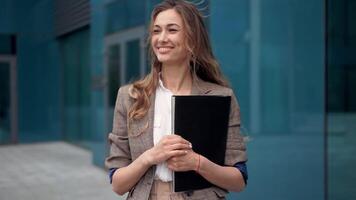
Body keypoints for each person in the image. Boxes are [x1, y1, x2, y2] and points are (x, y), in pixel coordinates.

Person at [105, 0, 248, 199]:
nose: (161, 38)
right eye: (156, 31)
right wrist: (150, 157)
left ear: (192, 39)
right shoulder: (130, 97)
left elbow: (239, 180)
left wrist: (197, 163)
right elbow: (118, 184)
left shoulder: (221, 97)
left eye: (172, 30)